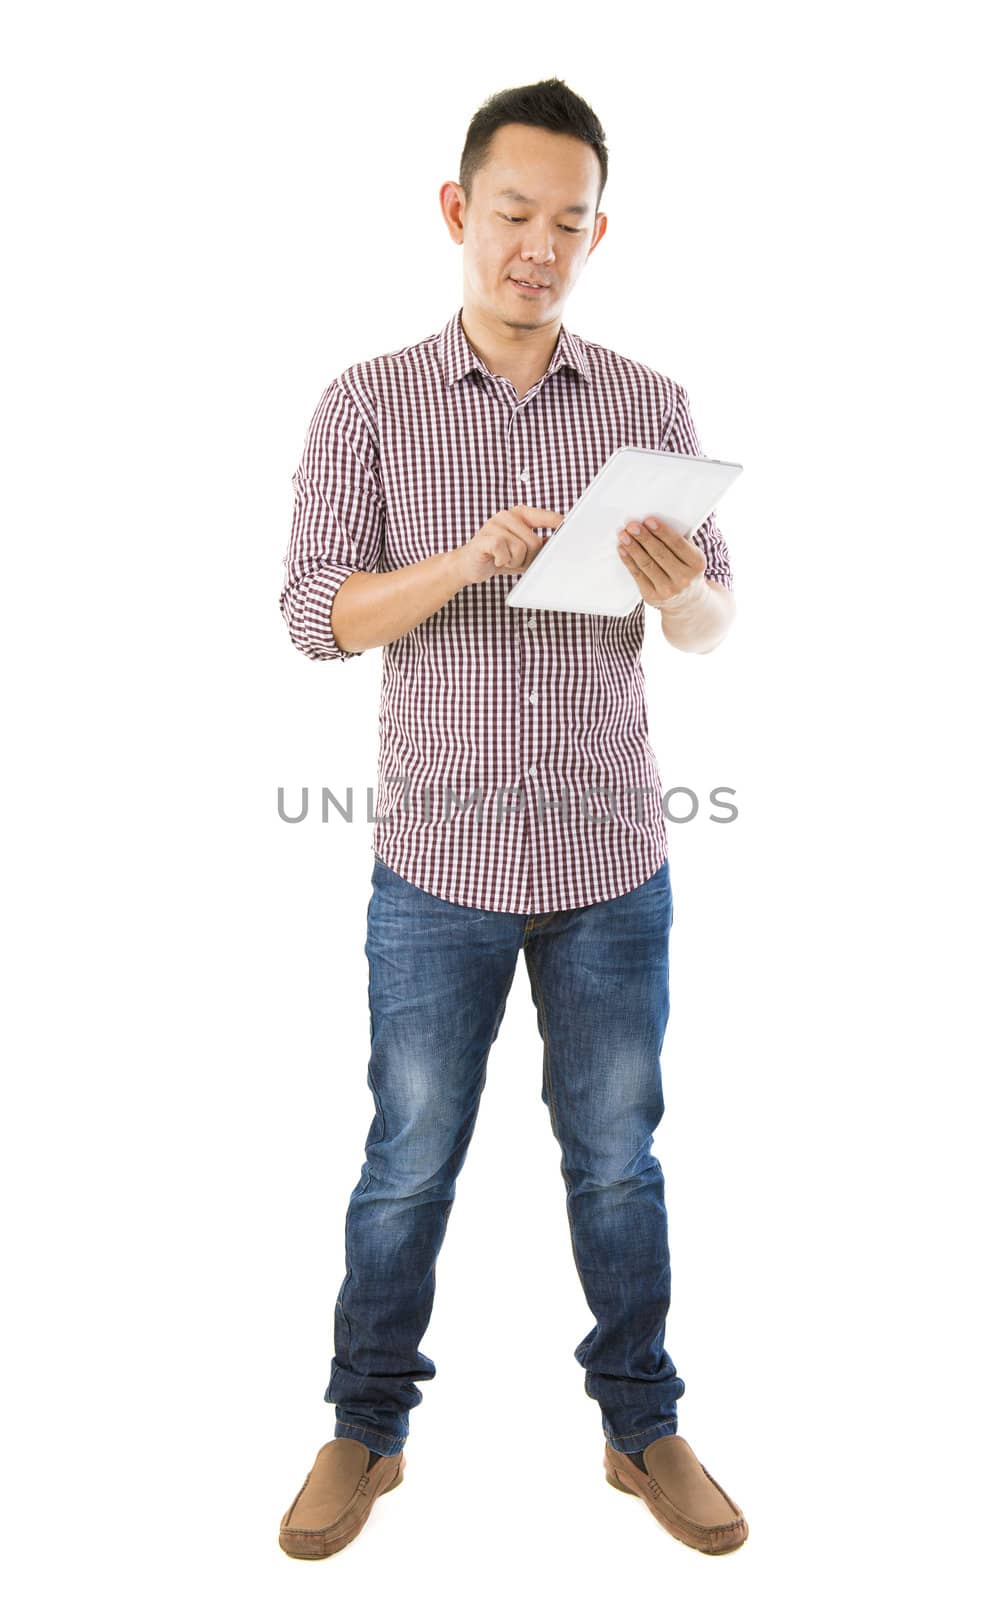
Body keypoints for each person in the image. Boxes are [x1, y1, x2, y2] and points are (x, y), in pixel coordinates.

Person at [276, 77, 748, 1561]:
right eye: (511, 216)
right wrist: (463, 561)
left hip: (615, 861)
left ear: (597, 233)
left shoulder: (649, 406)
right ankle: (365, 1428)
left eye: (566, 223)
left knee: (618, 1156)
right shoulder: (366, 403)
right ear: (457, 215)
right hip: (437, 866)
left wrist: (686, 593)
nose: (536, 246)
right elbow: (313, 618)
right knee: (409, 1156)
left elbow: (718, 624)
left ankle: (641, 1424)